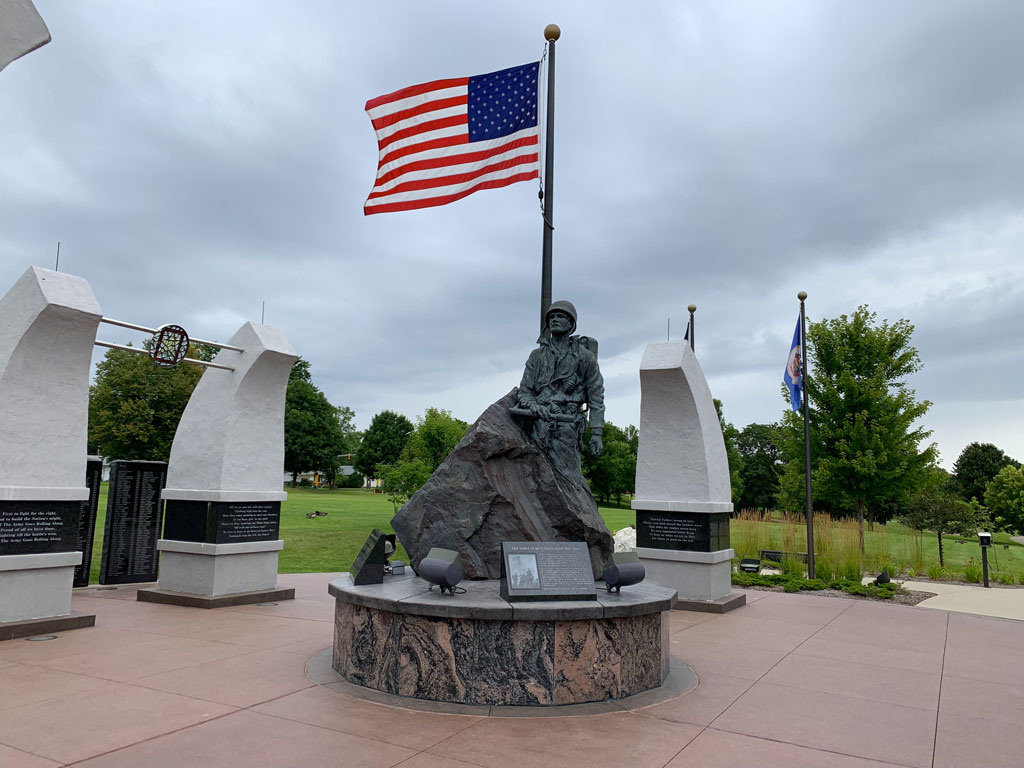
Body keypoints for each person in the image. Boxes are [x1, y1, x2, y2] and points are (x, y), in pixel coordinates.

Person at [516, 300, 604, 481]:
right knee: (534, 479)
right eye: (552, 317)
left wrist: (596, 433)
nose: (555, 319)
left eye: (561, 316)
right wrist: (533, 405)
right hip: (537, 425)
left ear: (571, 324)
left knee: (569, 481)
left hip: (567, 426)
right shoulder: (537, 356)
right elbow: (524, 391)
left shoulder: (584, 357)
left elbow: (596, 397)